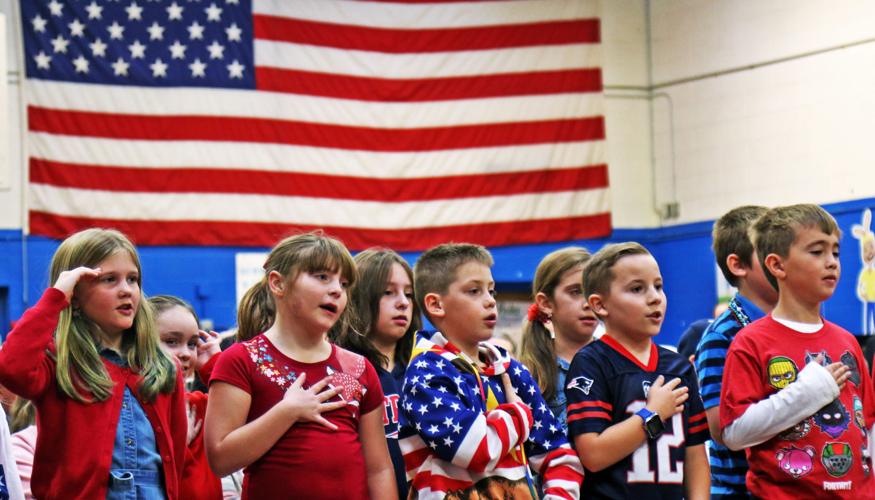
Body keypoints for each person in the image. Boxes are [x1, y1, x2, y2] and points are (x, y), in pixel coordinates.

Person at [205, 232, 397, 500]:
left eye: (343, 284)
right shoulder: (241, 359)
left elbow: (379, 469)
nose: (336, 290)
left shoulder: (359, 368)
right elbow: (220, 458)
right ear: (278, 283)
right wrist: (287, 412)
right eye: (322, 277)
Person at [0, 228, 186, 499]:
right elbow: (11, 369)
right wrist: (55, 298)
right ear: (74, 293)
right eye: (109, 279)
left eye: (132, 279)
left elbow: (175, 459)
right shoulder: (57, 360)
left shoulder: (162, 367)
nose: (126, 290)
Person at [398, 243, 584, 499]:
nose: (490, 301)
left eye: (491, 290)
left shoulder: (509, 369)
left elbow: (559, 454)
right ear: (436, 304)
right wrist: (518, 413)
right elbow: (474, 449)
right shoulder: (426, 372)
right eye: (474, 291)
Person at [721, 204, 875, 497]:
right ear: (778, 266)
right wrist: (808, 392)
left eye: (835, 253)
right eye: (817, 252)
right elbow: (735, 432)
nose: (831, 263)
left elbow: (867, 425)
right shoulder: (750, 342)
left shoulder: (848, 342)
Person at [565, 242, 710, 499]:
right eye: (637, 289)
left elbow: (695, 457)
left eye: (658, 286)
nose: (655, 297)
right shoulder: (591, 363)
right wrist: (653, 414)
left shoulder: (679, 368)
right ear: (600, 305)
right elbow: (593, 455)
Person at [693, 205, 775, 498]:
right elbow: (721, 429)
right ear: (738, 265)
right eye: (770, 251)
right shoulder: (722, 336)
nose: (783, 260)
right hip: (740, 491)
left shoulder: (797, 325)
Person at [332, 248, 421, 500]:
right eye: (388, 292)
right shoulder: (340, 371)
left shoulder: (426, 368)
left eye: (409, 294)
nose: (403, 302)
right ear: (359, 297)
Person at [150, 295, 224, 500]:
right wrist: (176, 443)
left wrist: (214, 365)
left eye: (192, 344)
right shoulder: (133, 409)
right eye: (171, 341)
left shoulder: (199, 405)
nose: (185, 353)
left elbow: (256, 417)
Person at [519, 247, 596, 433]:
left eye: (593, 291)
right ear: (546, 303)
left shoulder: (616, 362)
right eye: (575, 291)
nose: (588, 303)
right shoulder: (530, 374)